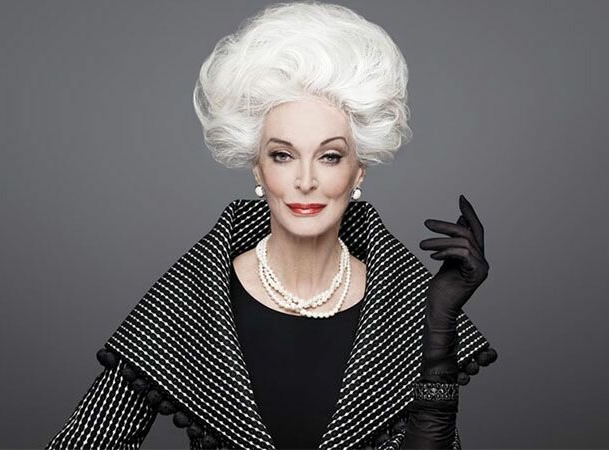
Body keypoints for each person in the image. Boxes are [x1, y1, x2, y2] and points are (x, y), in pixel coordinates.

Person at [45, 2, 497, 449]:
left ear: (359, 171)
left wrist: (439, 324)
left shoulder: (404, 306)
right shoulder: (192, 300)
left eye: (330, 156)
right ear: (257, 168)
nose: (306, 180)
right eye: (283, 155)